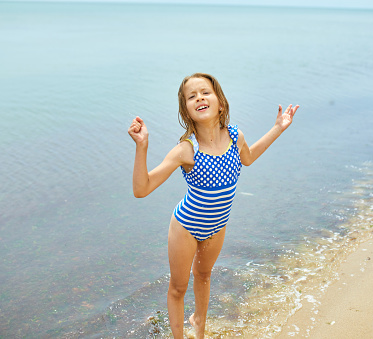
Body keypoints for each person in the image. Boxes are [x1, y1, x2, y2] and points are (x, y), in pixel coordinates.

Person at [128, 73, 299, 338]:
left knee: (205, 275)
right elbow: (142, 189)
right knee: (178, 288)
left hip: (217, 226)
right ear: (186, 110)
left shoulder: (235, 137)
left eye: (205, 92)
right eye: (191, 96)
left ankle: (200, 327)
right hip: (186, 226)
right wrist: (142, 146)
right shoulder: (186, 150)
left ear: (220, 102)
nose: (199, 98)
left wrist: (279, 127)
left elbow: (249, 158)